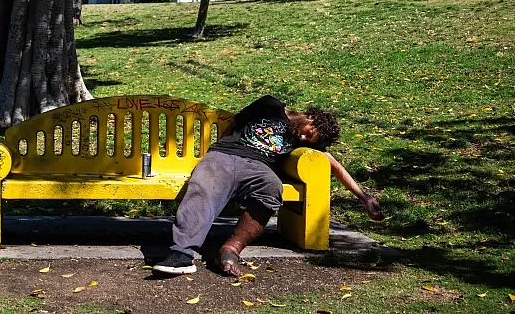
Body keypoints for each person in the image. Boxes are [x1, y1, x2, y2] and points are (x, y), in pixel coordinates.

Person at [152, 95, 384, 276]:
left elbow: (334, 165)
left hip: (258, 167)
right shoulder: (270, 105)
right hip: (226, 154)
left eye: (309, 141)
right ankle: (181, 254)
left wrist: (365, 198)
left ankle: (230, 250)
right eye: (307, 134)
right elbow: (233, 125)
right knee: (203, 188)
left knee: (272, 187)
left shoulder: (299, 141)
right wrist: (219, 151)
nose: (303, 140)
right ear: (311, 118)